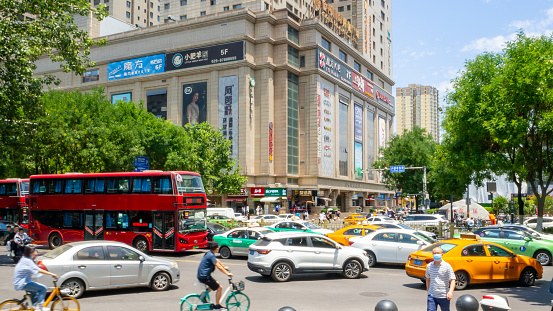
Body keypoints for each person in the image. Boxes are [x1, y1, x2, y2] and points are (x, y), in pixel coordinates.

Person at [14, 245, 57, 310]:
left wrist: (33, 258)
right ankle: (40, 307)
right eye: (35, 252)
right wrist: (51, 273)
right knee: (43, 288)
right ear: (31, 253)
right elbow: (38, 270)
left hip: (22, 282)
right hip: (23, 283)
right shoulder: (27, 261)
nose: (36, 253)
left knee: (36, 294)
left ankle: (28, 306)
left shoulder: (24, 258)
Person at [197, 242, 233, 311]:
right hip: (204, 276)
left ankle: (203, 296)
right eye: (218, 247)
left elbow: (217, 261)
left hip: (202, 275)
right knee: (219, 288)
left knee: (216, 283)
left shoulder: (209, 253)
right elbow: (218, 266)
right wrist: (227, 274)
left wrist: (224, 267)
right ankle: (217, 305)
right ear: (216, 249)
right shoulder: (211, 255)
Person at [426, 247, 456, 311]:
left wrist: (450, 292)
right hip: (432, 296)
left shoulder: (447, 266)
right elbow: (428, 279)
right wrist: (428, 291)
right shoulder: (429, 266)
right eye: (434, 253)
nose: (436, 254)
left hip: (444, 296)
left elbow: (452, 280)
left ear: (442, 254)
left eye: (438, 253)